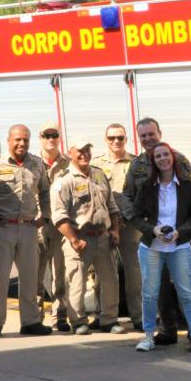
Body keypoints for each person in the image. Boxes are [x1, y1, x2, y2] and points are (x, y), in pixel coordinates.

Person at [121, 117, 191, 344]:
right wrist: (139, 222)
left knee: (186, 286)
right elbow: (126, 196)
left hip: (179, 236)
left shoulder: (177, 159)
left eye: (151, 134)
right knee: (158, 286)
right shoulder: (137, 165)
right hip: (153, 237)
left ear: (159, 133)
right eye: (143, 135)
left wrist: (182, 230)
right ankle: (168, 330)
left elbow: (189, 196)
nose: (148, 139)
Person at [132, 142, 191, 355]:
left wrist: (179, 232)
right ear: (154, 161)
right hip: (152, 248)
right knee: (150, 293)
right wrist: (153, 230)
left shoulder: (185, 185)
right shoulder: (147, 186)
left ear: (172, 157)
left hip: (179, 246)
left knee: (187, 293)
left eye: (166, 155)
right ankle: (148, 337)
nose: (163, 159)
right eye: (158, 156)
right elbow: (135, 216)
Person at [0, 124, 53, 337]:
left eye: (26, 140)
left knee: (30, 278)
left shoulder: (37, 164)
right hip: (1, 228)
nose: (22, 143)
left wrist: (45, 217)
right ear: (9, 140)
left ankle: (30, 322)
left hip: (28, 229)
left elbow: (46, 192)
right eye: (18, 140)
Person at [51, 138, 124, 335]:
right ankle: (78, 321)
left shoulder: (99, 175)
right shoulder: (64, 180)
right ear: (70, 153)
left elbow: (112, 206)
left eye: (87, 150)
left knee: (110, 281)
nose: (84, 154)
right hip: (79, 239)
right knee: (77, 283)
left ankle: (109, 320)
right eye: (79, 151)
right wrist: (74, 240)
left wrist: (115, 230)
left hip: (103, 237)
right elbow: (59, 215)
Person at [92, 123, 143, 331]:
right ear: (105, 140)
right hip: (104, 227)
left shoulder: (137, 163)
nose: (116, 141)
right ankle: (103, 315)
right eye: (111, 138)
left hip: (130, 226)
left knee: (134, 273)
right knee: (102, 275)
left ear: (126, 139)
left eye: (120, 138)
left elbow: (142, 195)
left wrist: (128, 218)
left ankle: (138, 316)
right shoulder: (95, 165)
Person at [36, 122, 71, 332]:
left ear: (59, 137)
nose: (50, 139)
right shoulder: (31, 162)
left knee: (60, 273)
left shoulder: (69, 163)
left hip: (60, 226)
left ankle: (59, 316)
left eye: (54, 135)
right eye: (46, 135)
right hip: (37, 226)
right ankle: (34, 317)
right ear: (40, 138)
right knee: (35, 274)